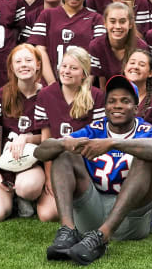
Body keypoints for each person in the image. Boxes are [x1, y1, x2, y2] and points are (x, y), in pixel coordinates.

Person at [35, 74, 152, 265]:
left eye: (125, 101)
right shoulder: (94, 129)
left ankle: (103, 237)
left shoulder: (146, 131)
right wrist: (65, 143)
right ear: (105, 107)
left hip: (131, 218)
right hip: (93, 212)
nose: (117, 105)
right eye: (112, 101)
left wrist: (114, 143)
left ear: (136, 108)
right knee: (64, 152)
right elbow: (40, 152)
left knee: (146, 156)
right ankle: (67, 231)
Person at [33, 46, 106, 222]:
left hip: (86, 162)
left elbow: (98, 138)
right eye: (64, 66)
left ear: (84, 74)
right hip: (58, 162)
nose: (66, 71)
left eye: (73, 68)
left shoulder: (96, 96)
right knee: (47, 215)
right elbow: (46, 139)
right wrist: (49, 177)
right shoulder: (45, 94)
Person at [0, 44, 47, 220]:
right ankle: (12, 197)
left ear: (37, 64)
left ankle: (23, 195)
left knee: (27, 187)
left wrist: (27, 138)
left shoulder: (47, 94)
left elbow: (49, 137)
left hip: (33, 163)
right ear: (12, 67)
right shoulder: (1, 95)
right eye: (18, 61)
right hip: (6, 161)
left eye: (28, 60)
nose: (23, 65)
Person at [28, 0, 105, 84]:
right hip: (51, 83)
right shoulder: (47, 15)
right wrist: (52, 84)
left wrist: (85, 87)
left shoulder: (96, 18)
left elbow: (96, 55)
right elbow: (40, 50)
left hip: (82, 85)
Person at [89, 2, 148, 88]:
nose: (117, 26)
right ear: (105, 23)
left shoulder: (141, 47)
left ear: (130, 24)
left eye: (122, 21)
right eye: (112, 21)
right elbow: (101, 80)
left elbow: (142, 83)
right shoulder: (96, 46)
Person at [123, 48, 152, 123]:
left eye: (142, 65)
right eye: (132, 63)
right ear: (125, 68)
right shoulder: (112, 97)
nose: (135, 67)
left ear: (151, 73)